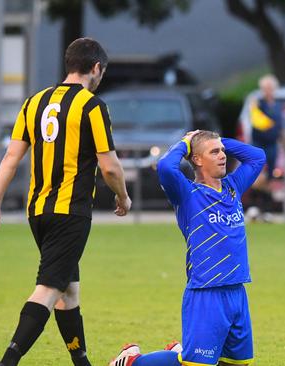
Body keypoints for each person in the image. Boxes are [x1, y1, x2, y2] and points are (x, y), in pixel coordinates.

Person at [0, 37, 132, 366]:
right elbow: (109, 166)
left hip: (38, 211)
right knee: (49, 289)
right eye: (101, 72)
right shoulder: (92, 105)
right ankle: (6, 362)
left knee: (68, 291)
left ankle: (82, 363)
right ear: (95, 68)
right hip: (71, 212)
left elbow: (10, 158)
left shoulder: (33, 102)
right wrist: (123, 196)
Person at [108, 130, 265, 366]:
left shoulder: (233, 187)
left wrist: (218, 141)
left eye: (222, 150)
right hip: (206, 292)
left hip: (237, 291)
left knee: (236, 364)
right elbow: (166, 167)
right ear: (197, 159)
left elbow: (257, 156)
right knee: (194, 363)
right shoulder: (188, 194)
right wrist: (187, 143)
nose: (223, 155)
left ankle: (180, 350)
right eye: (215, 152)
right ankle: (132, 361)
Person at [247, 74, 285, 221]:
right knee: (258, 176)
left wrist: (284, 139)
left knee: (270, 177)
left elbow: (280, 125)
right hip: (259, 143)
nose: (268, 91)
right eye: (265, 88)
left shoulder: (277, 105)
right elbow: (256, 122)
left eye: (270, 88)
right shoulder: (258, 103)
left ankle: (266, 209)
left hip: (272, 144)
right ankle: (254, 207)